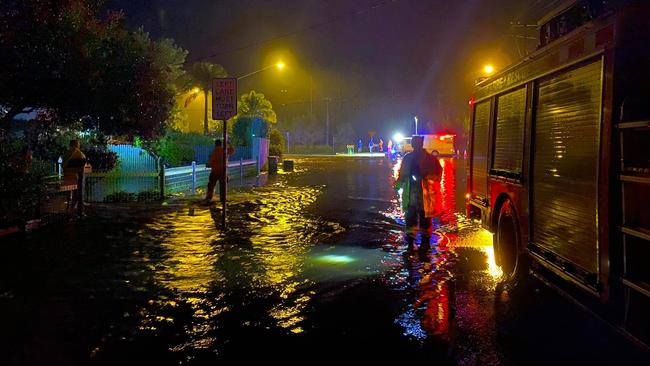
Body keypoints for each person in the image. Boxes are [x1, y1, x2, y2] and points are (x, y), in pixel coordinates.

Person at [396, 136, 442, 238]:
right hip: (424, 199)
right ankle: (423, 244)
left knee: (412, 221)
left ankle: (412, 244)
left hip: (414, 197)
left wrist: (397, 187)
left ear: (413, 144)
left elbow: (402, 175)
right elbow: (438, 175)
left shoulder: (408, 158)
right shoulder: (431, 159)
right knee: (423, 223)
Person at [63, 139, 87, 216]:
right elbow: (83, 159)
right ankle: (75, 210)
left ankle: (69, 209)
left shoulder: (66, 153)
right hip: (76, 177)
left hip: (67, 177)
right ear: (75, 144)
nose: (79, 145)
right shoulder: (77, 152)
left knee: (69, 194)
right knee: (77, 194)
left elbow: (63, 165)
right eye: (78, 144)